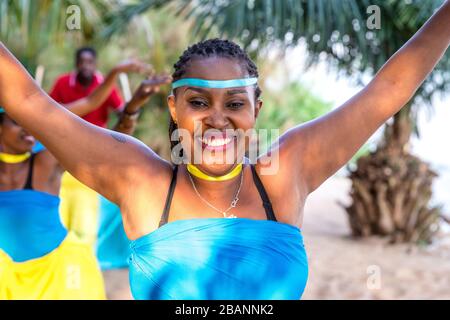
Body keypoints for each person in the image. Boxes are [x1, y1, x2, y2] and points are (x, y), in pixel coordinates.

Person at [0, 1, 449, 299]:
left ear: (256, 108)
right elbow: (29, 102)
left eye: (234, 104)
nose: (217, 119)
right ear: (174, 108)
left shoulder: (286, 173)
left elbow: (387, 90)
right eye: (198, 103)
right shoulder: (139, 179)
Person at [0, 73, 171, 299]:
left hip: (57, 278)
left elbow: (107, 150)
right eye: (16, 122)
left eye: (29, 123)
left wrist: (132, 108)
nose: (28, 129)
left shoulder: (45, 163)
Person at [50, 47, 150, 246]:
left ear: (95, 65)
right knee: (58, 221)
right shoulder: (63, 83)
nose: (86, 66)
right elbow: (50, 111)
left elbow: (121, 111)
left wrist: (134, 105)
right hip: (63, 155)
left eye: (90, 62)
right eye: (82, 62)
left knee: (84, 225)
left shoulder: (104, 86)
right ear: (76, 63)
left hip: (92, 159)